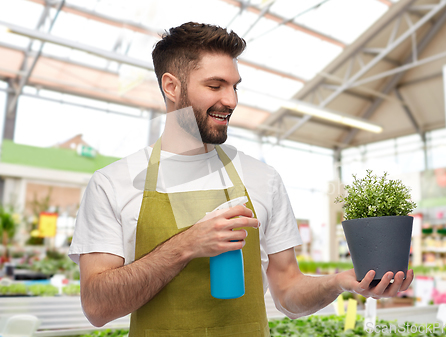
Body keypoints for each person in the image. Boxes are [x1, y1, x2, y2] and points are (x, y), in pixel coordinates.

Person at [69, 22, 413, 336]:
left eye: (234, 86)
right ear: (171, 87)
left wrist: (340, 283)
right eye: (215, 85)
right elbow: (97, 307)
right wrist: (187, 245)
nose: (230, 100)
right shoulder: (112, 183)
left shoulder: (263, 178)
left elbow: (288, 293)